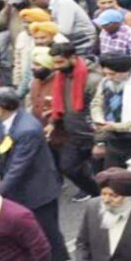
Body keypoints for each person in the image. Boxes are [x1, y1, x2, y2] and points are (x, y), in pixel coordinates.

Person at [0, 87, 70, 261]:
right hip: (20, 186)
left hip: (38, 188)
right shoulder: (3, 122)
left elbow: (19, 166)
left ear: (3, 107)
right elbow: (4, 152)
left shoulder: (27, 129)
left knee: (48, 230)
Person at [47, 42, 102, 200]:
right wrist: (52, 122)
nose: (56, 67)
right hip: (73, 133)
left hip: (92, 134)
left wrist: (100, 142)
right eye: (54, 62)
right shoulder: (61, 76)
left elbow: (100, 112)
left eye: (60, 62)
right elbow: (59, 103)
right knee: (68, 167)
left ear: (72, 58)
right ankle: (96, 194)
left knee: (103, 175)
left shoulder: (93, 79)